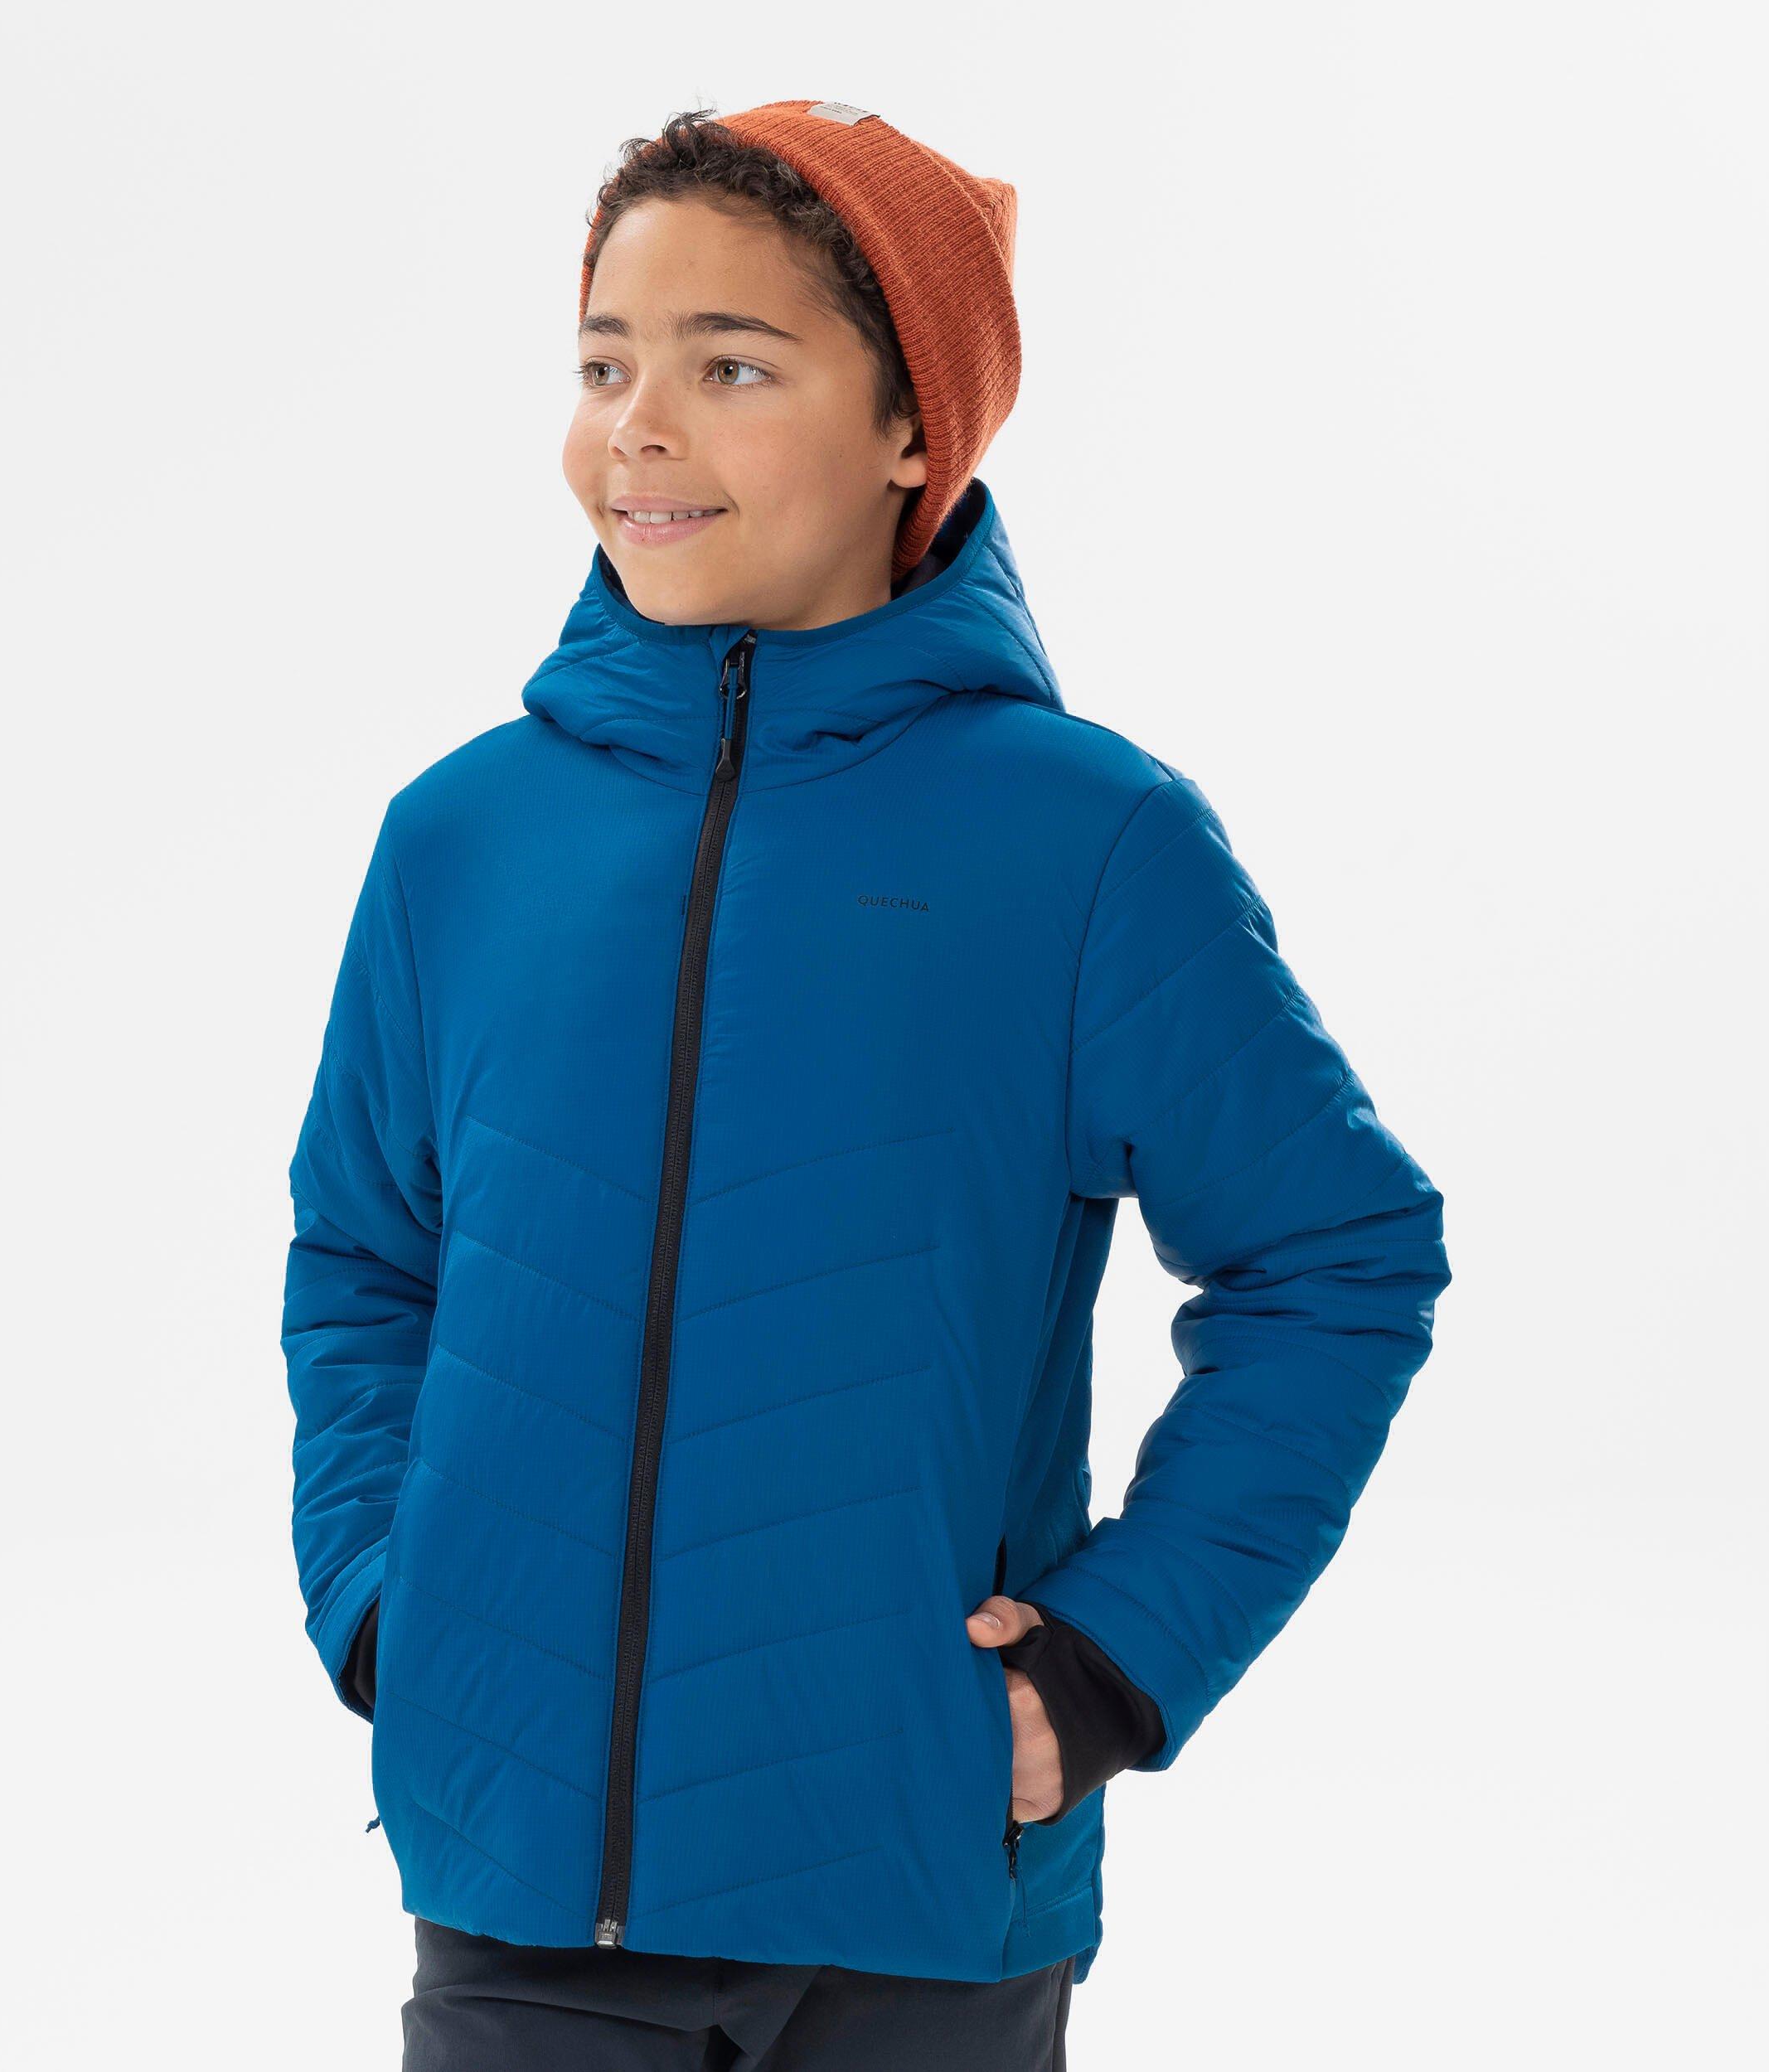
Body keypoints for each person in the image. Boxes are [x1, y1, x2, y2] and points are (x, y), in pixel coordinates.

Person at [280, 99, 1450, 2070]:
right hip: (514, 1887)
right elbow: (363, 1256)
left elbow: (1337, 1255)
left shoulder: (1083, 841)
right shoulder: (460, 839)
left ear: (916, 428)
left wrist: (1116, 1656)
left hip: (913, 1895)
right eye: (603, 364)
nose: (637, 428)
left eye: (730, 365)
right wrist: (389, 1600)